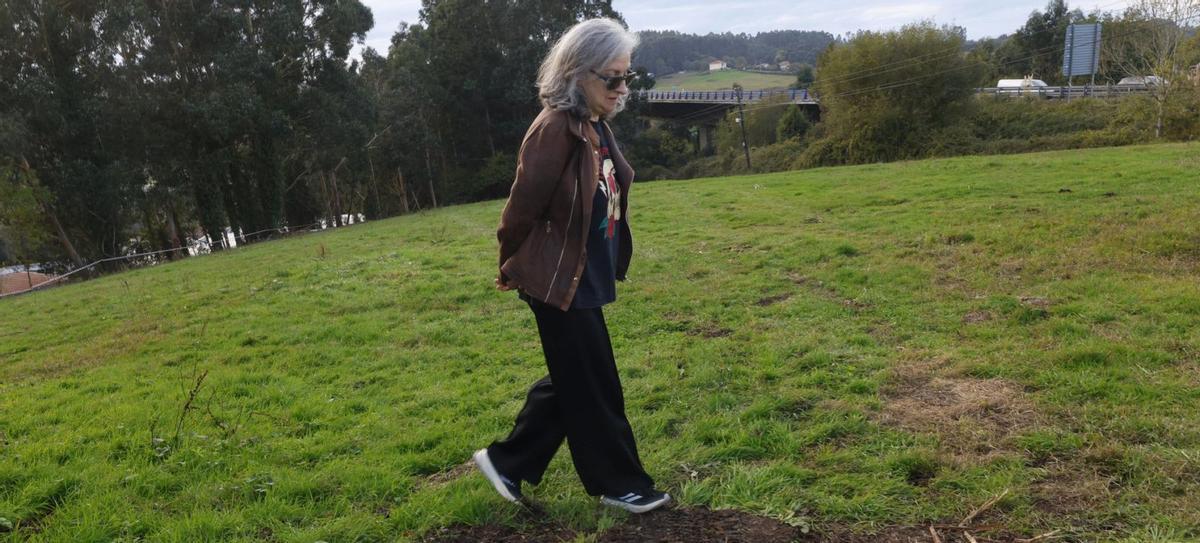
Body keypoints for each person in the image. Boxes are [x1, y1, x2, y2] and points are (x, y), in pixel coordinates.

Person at [472, 18, 669, 514]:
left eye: (627, 77)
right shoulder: (555, 128)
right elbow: (521, 208)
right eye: (613, 79)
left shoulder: (591, 124)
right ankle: (620, 484)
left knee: (576, 377)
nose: (623, 89)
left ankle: (509, 462)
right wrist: (508, 263)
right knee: (594, 383)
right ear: (578, 73)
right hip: (555, 277)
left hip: (583, 273)